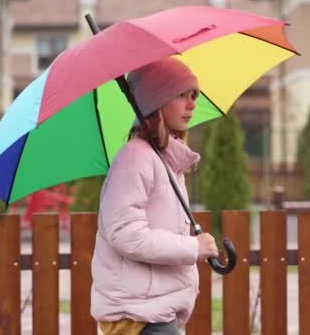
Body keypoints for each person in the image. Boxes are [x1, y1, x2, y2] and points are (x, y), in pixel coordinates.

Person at [91, 57, 219, 335]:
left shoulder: (165, 160)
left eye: (193, 95)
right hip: (139, 317)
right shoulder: (135, 158)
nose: (192, 104)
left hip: (156, 311)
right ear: (156, 102)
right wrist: (192, 247)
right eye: (180, 95)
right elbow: (126, 233)